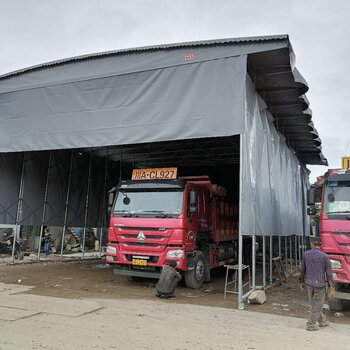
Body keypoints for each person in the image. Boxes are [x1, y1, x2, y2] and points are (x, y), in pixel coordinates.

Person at [299, 237, 334, 331]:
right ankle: (310, 324)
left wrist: (301, 281)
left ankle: (322, 321)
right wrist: (332, 286)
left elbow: (302, 269)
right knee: (317, 304)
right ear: (320, 245)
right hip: (320, 284)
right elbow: (329, 273)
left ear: (311, 244)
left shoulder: (306, 254)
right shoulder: (325, 256)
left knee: (315, 304)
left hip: (309, 283)